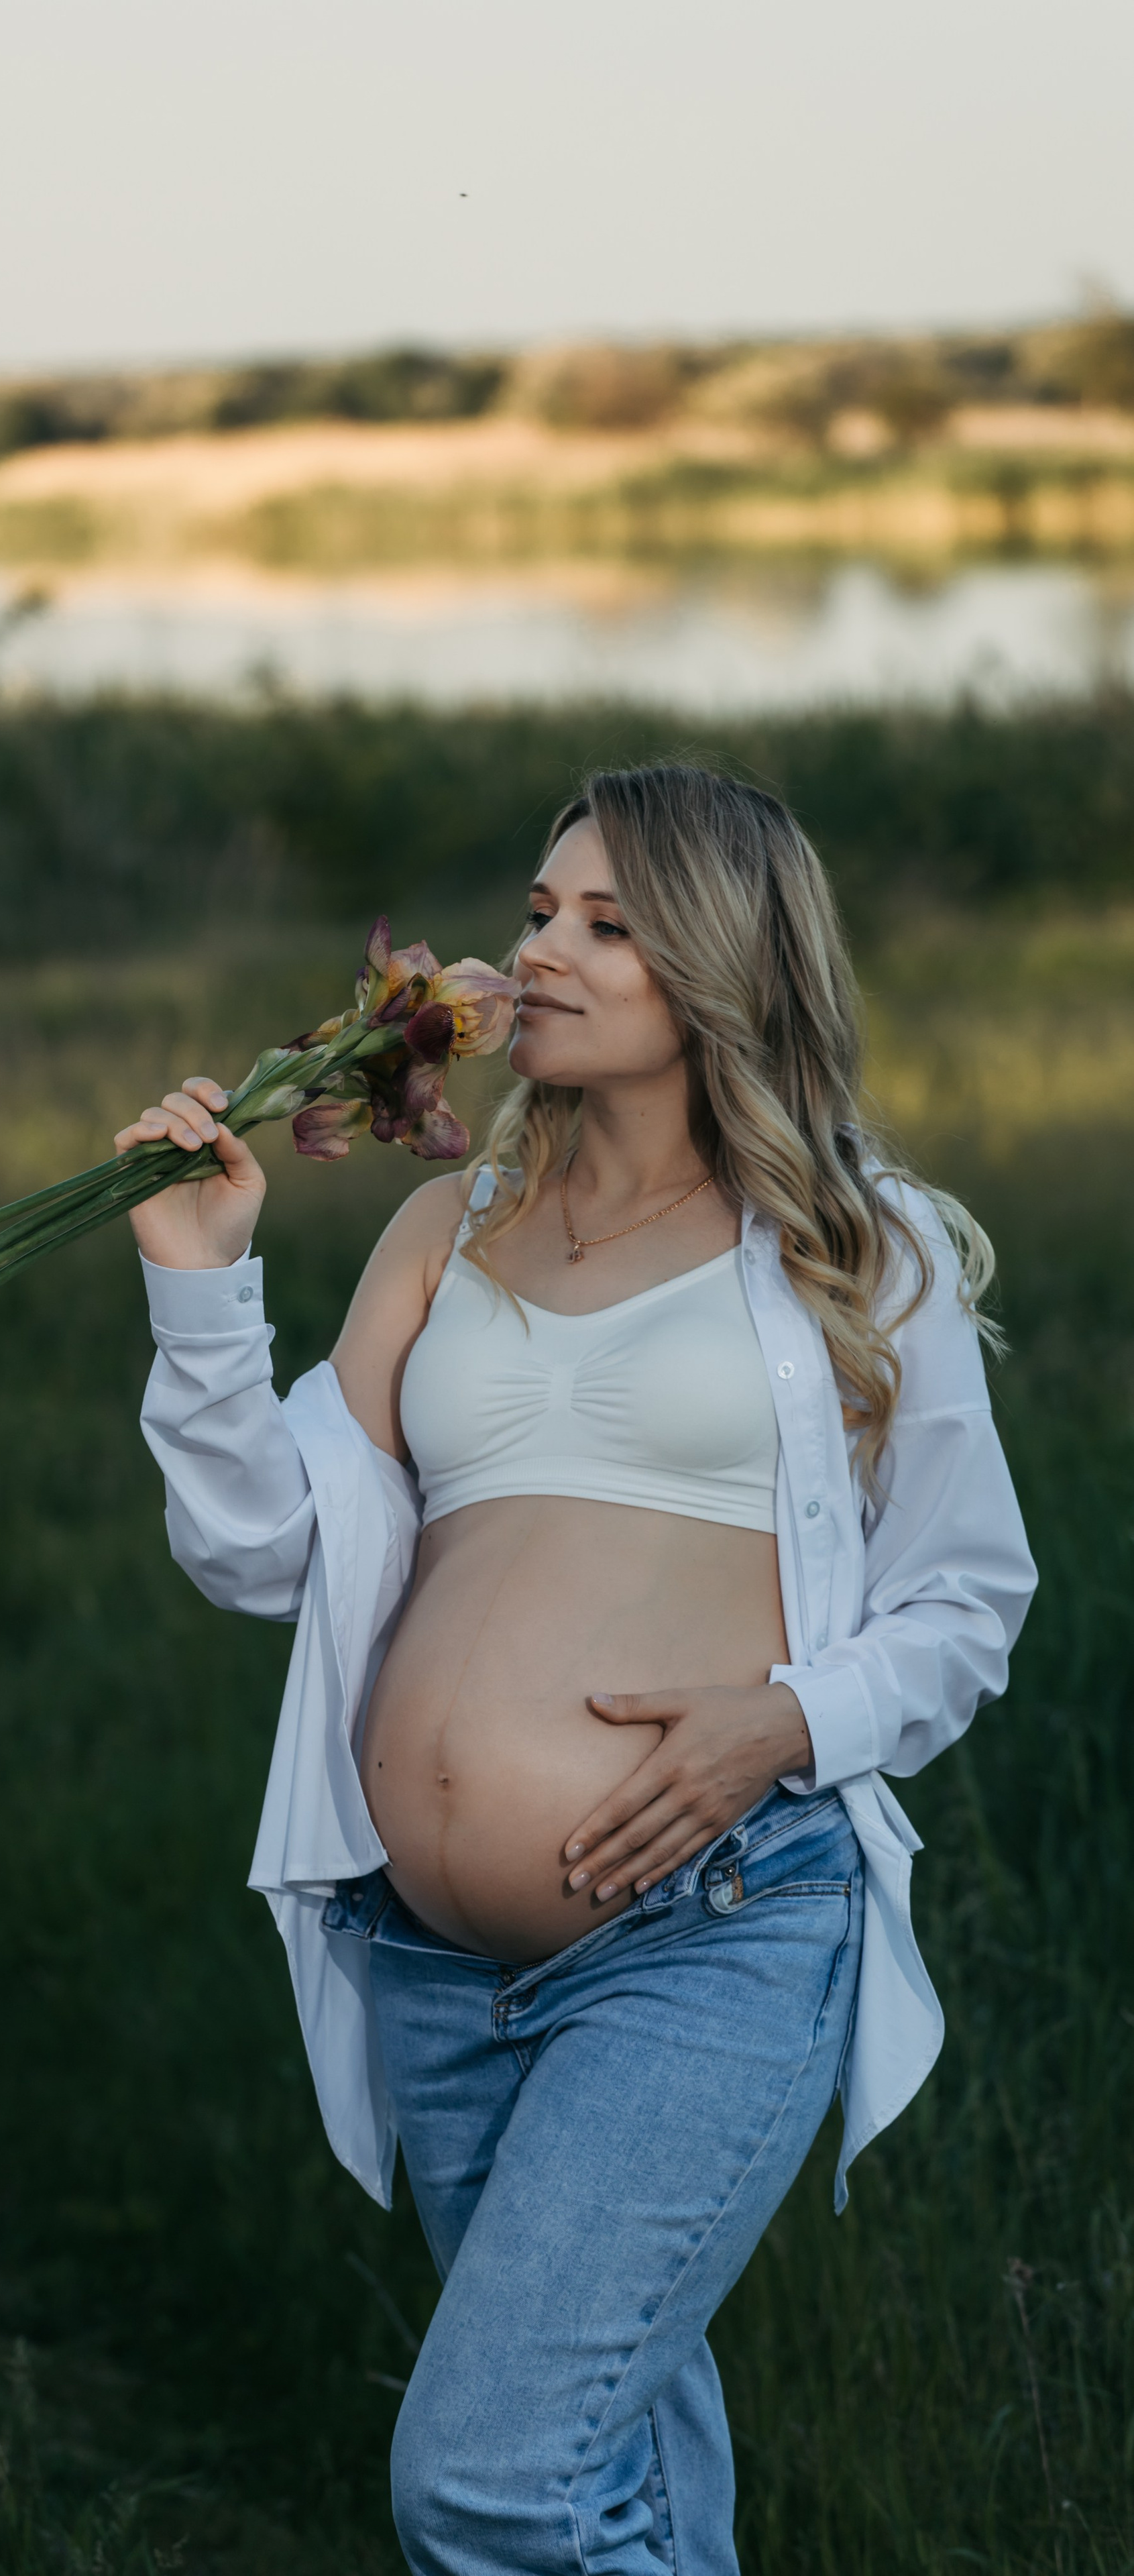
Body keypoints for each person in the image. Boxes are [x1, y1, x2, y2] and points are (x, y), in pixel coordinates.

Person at [115, 764, 1036, 2576]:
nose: (538, 951)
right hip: (435, 1971)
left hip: (710, 1934)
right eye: (540, 911)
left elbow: (969, 1601)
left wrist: (788, 1718)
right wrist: (199, 1285)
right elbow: (257, 1553)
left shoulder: (856, 1246)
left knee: (492, 2484)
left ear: (722, 968)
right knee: (605, 2479)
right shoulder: (443, 1230)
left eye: (605, 925)